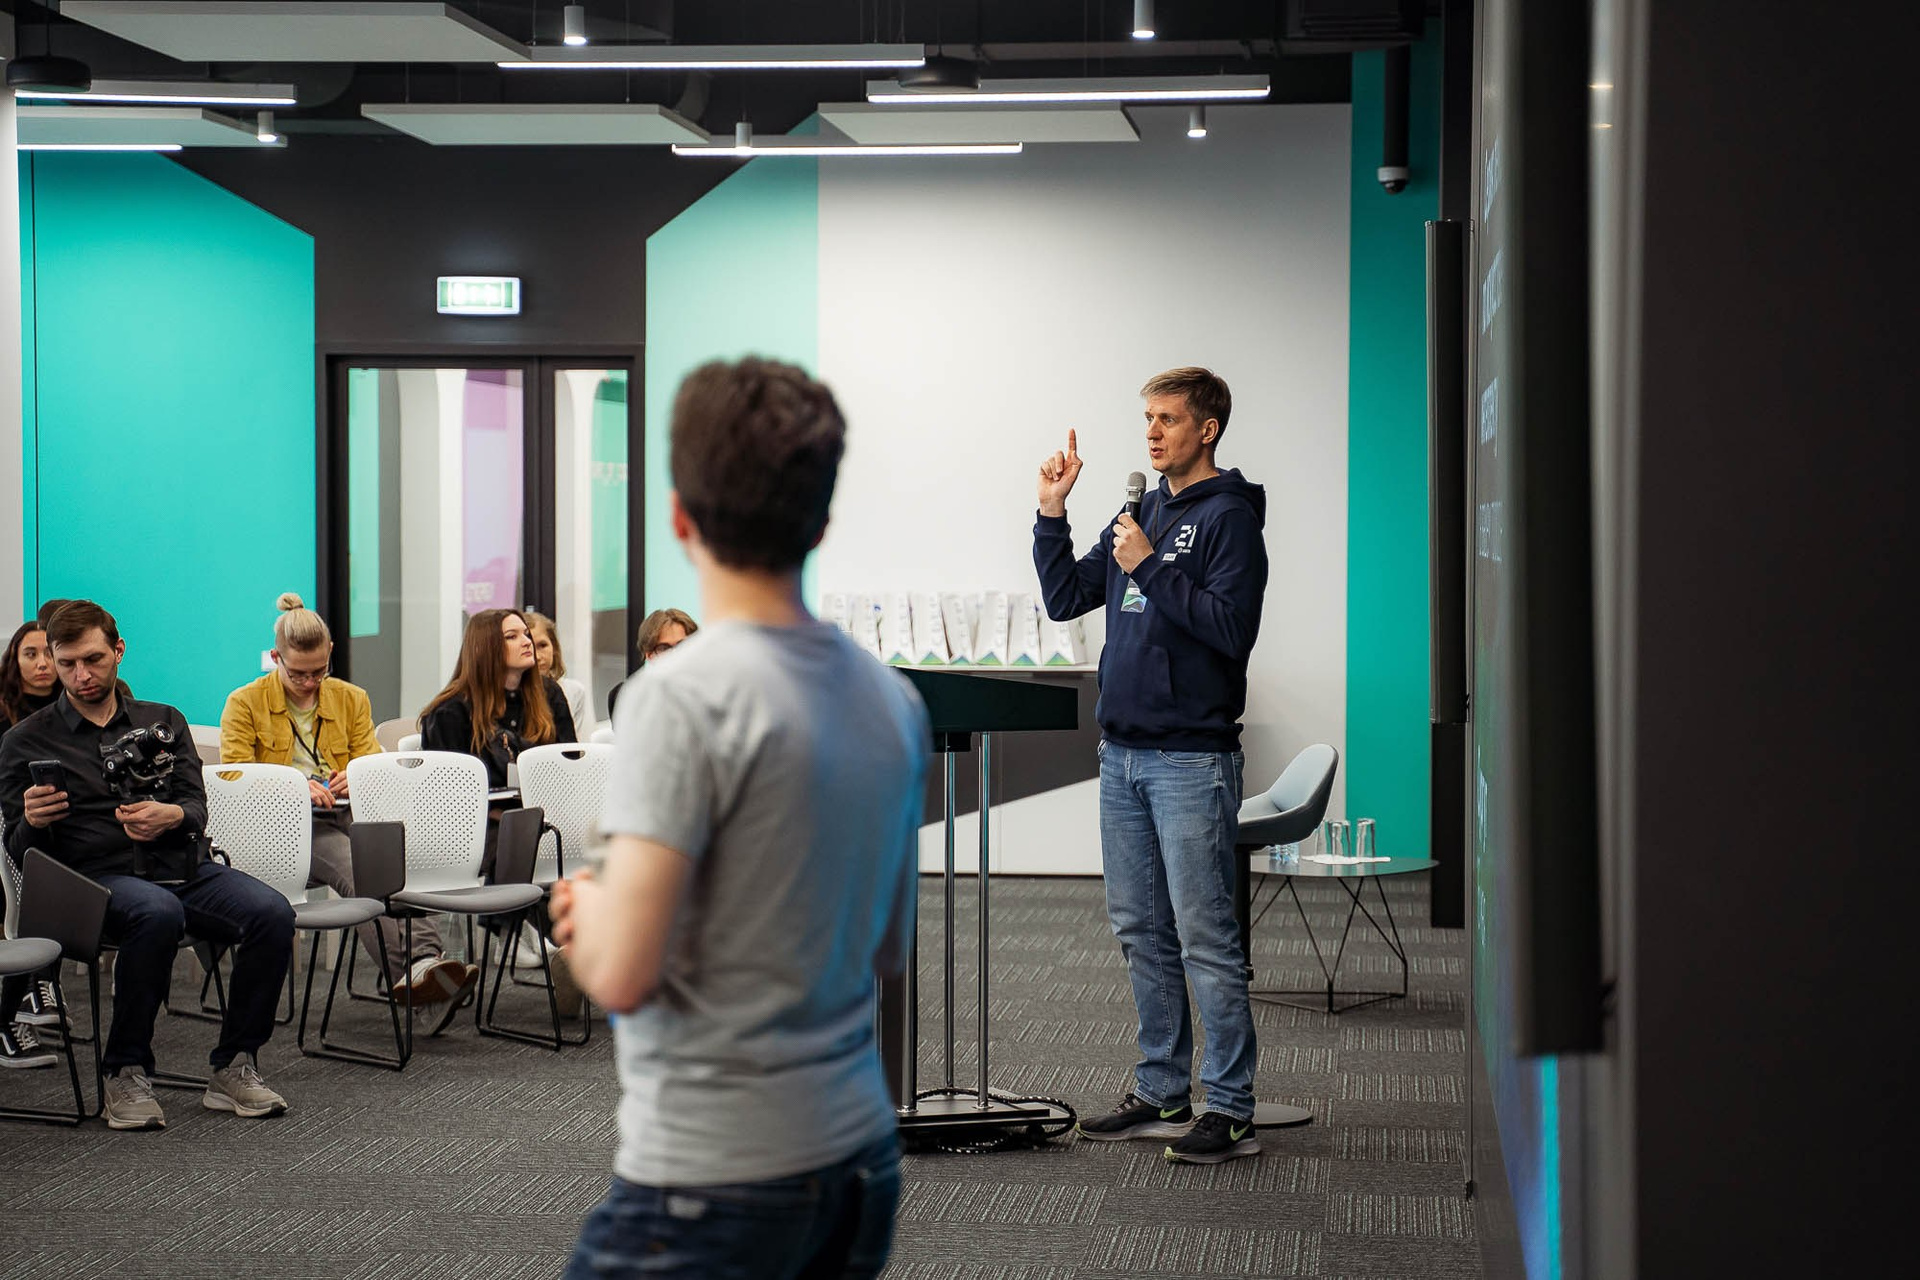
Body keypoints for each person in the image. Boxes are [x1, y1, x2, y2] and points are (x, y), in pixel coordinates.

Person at [550, 357, 926, 1279]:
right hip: (859, 1162)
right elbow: (886, 950)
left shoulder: (680, 696)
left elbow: (622, 974)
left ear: (680, 516)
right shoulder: (892, 699)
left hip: (715, 1179)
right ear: (821, 523)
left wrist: (586, 913)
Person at [1033, 366, 1270, 1165]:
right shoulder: (1139, 511)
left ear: (1207, 428)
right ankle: (1163, 1088)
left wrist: (1148, 567)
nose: (1152, 433)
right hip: (1123, 756)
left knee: (1205, 937)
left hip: (1190, 761)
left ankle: (1230, 1106)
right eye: (1147, 419)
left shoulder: (1229, 518)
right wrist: (1052, 511)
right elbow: (1066, 598)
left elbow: (1231, 630)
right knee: (1141, 929)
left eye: (1167, 419)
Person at [0, 601, 296, 1129]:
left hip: (180, 866)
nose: (81, 675)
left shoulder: (162, 722)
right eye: (67, 664)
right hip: (90, 882)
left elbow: (196, 806)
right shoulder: (26, 741)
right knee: (157, 912)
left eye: (93, 659)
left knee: (272, 913)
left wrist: (173, 815)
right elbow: (20, 850)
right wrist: (32, 820)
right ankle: (125, 1070)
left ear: (118, 650)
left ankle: (235, 1064)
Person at [220, 594, 475, 1012]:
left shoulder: (350, 698)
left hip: (345, 814)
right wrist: (294, 786)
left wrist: (354, 779)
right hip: (283, 830)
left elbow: (372, 765)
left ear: (331, 654)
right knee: (362, 865)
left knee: (394, 854)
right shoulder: (244, 703)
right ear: (275, 658)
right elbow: (235, 777)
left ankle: (426, 966)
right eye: (297, 673)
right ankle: (418, 967)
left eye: (319, 671)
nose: (309, 682)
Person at [419, 609, 578, 793]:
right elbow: (448, 792)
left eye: (526, 634)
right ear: (485, 648)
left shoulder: (549, 692)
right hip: (482, 809)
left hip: (548, 803)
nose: (527, 642)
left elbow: (571, 763)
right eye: (511, 637)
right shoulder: (450, 712)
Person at [0, 621, 62, 1068]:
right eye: (30, 654)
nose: (42, 664)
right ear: (14, 661)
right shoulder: (4, 714)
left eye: (49, 654)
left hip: (59, 829)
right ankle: (22, 998)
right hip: (11, 831)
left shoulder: (76, 709)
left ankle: (40, 983)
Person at [603, 608, 697, 720]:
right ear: (649, 655)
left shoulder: (709, 694)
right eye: (664, 648)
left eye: (682, 645)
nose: (674, 654)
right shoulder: (625, 696)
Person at [523, 610, 592, 735]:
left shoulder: (575, 691)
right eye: (529, 647)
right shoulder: (512, 695)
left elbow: (575, 742)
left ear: (554, 647)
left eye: (543, 645)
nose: (538, 656)